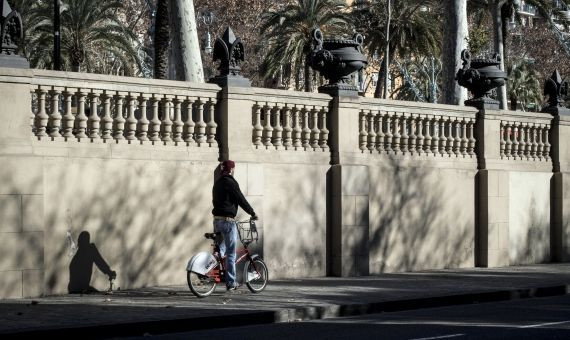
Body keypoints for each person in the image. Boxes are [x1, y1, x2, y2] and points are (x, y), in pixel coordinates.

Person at [212, 160, 257, 290]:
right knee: (232, 254)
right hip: (227, 220)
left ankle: (217, 254)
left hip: (217, 220)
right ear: (231, 170)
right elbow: (240, 199)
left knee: (227, 243)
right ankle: (231, 283)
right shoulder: (231, 182)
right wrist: (252, 212)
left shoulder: (217, 183)